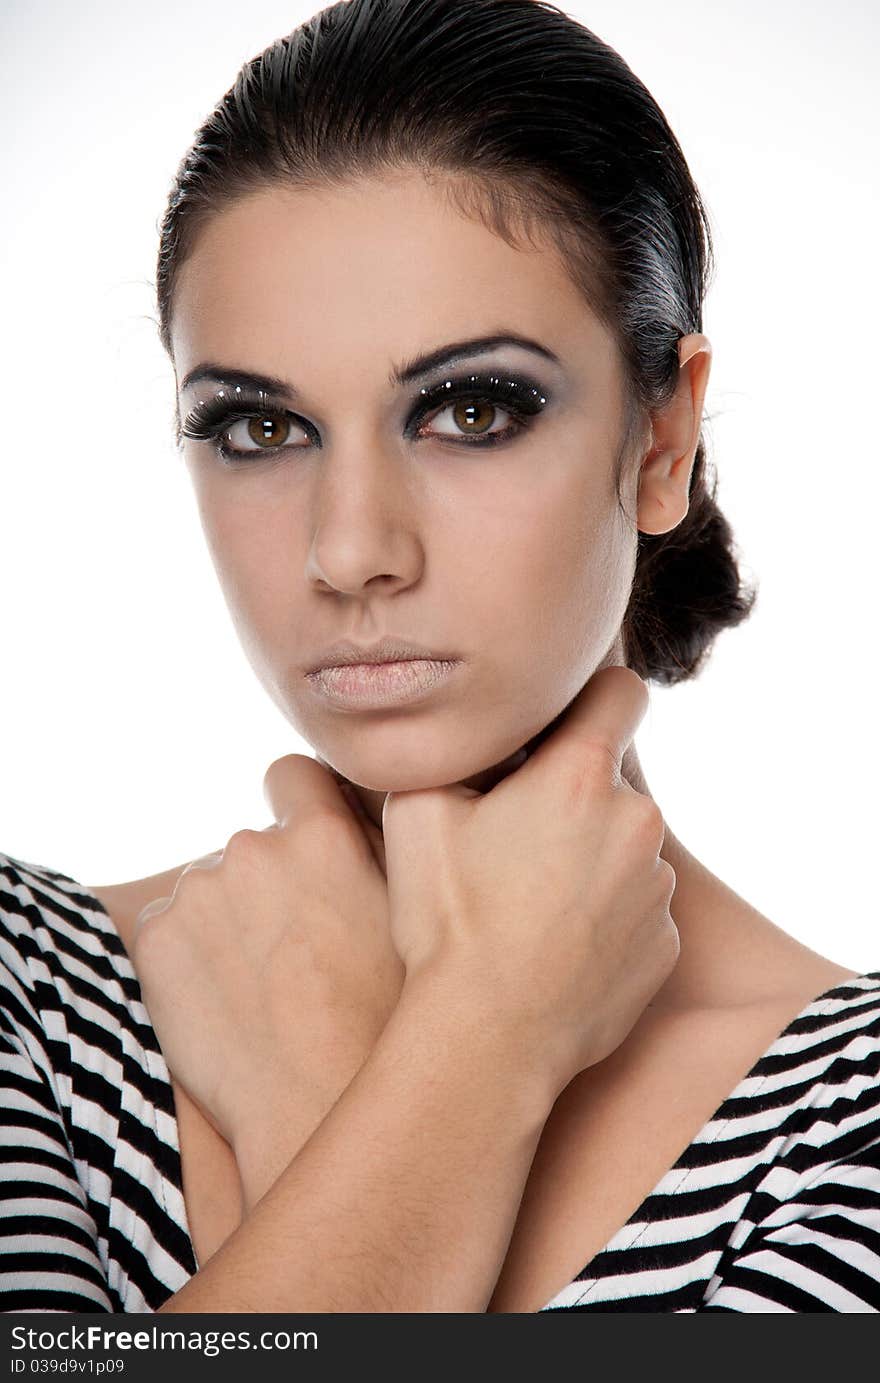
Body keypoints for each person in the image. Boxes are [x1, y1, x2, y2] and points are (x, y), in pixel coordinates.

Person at [2, 0, 878, 1315]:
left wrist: (377, 1090)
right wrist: (478, 1050)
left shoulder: (852, 1129)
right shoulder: (24, 986)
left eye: (472, 408)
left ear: (660, 443)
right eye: (255, 427)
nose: (350, 550)